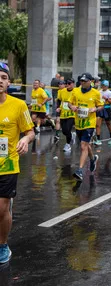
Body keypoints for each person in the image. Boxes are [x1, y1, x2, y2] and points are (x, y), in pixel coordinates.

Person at [0, 62, 35, 264]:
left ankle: (2, 244)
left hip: (8, 163)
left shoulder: (18, 105)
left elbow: (30, 132)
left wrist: (24, 139)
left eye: (3, 77)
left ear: (8, 82)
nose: (0, 81)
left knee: (1, 209)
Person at [68, 72, 103, 181]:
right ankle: (92, 159)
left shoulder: (96, 93)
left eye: (85, 81)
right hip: (78, 123)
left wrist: (95, 109)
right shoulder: (75, 91)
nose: (82, 83)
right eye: (81, 81)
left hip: (89, 123)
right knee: (86, 145)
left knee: (83, 145)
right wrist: (72, 106)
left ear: (90, 82)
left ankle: (80, 170)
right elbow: (69, 103)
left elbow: (101, 106)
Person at [56, 78, 76, 152]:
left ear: (73, 84)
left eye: (69, 83)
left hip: (72, 114)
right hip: (63, 113)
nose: (67, 85)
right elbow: (59, 100)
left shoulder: (76, 91)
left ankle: (68, 145)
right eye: (66, 83)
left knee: (68, 129)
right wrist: (58, 107)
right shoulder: (62, 91)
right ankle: (72, 135)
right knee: (64, 131)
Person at [94, 80, 111, 146]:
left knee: (108, 123)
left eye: (105, 86)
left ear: (107, 86)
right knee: (98, 124)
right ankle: (98, 139)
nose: (103, 87)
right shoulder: (99, 92)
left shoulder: (109, 92)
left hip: (107, 108)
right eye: (102, 85)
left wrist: (107, 99)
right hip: (100, 108)